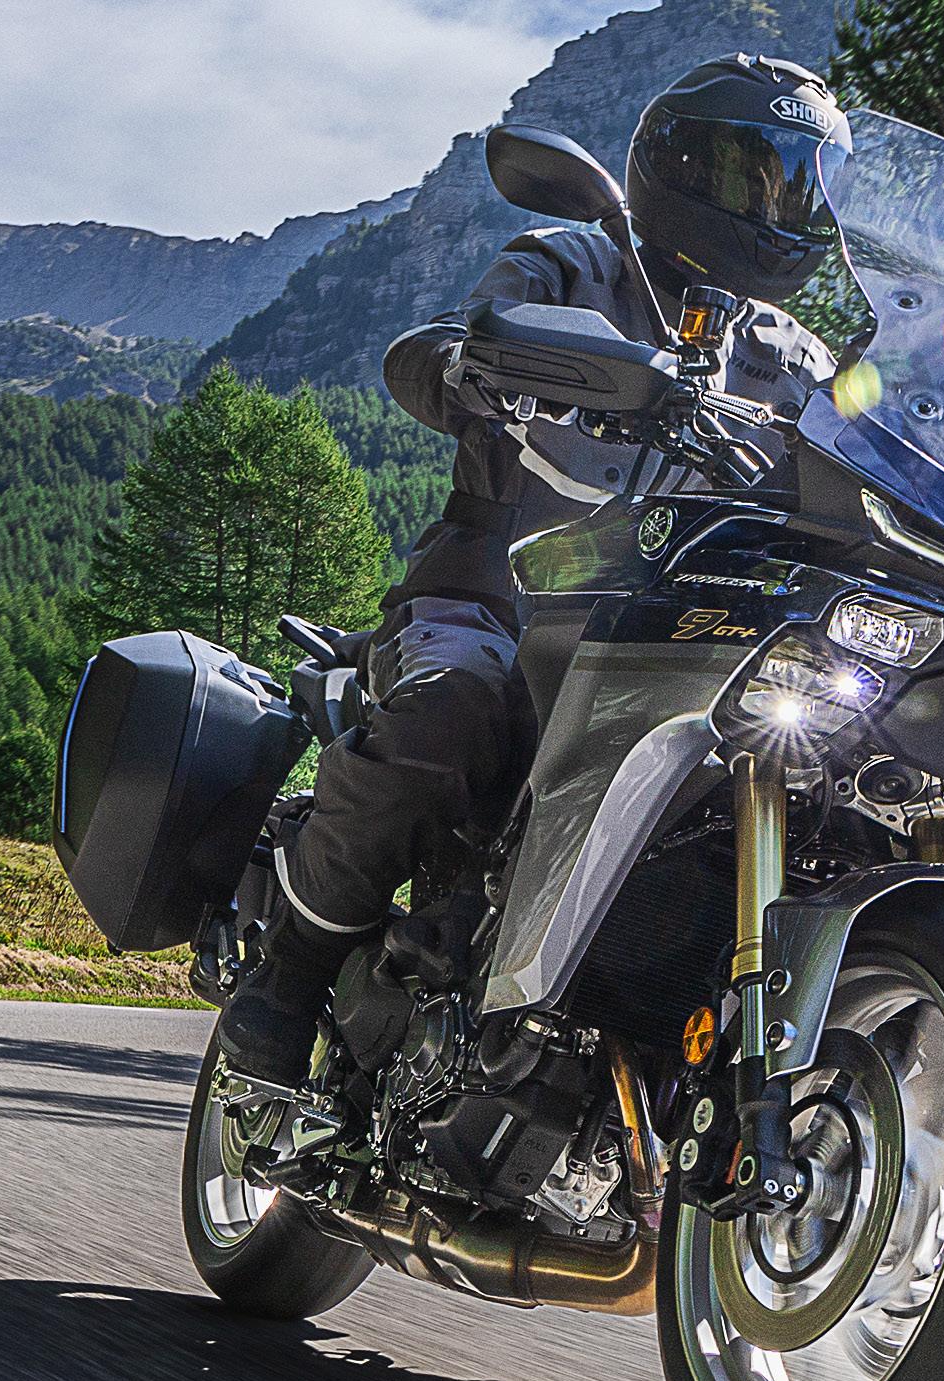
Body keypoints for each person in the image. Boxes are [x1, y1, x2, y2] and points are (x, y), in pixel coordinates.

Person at [217, 54, 846, 1085]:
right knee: (452, 710)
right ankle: (288, 976)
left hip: (677, 635)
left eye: (804, 186)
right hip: (491, 601)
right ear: (681, 169)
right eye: (757, 176)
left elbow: (875, 457)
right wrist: (479, 363)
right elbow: (442, 348)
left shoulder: (793, 358)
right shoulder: (572, 265)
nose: (780, 207)